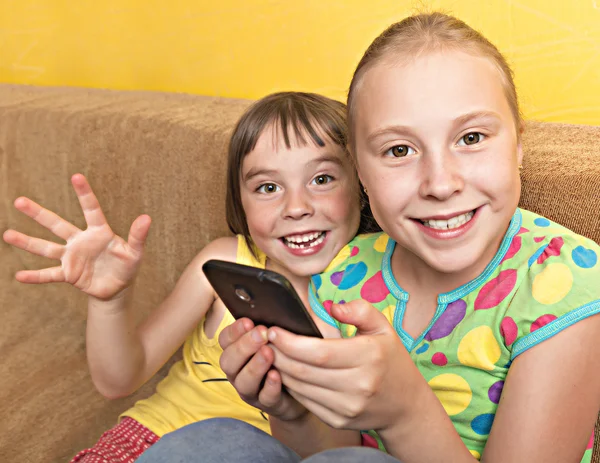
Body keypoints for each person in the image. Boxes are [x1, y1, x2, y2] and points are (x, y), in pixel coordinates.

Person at [139, 12, 600, 463]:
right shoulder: (348, 271)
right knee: (214, 439)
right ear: (359, 170)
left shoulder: (565, 283)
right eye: (399, 150)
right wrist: (292, 410)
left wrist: (405, 412)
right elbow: (325, 450)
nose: (440, 184)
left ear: (518, 146)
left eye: (472, 137)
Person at [3, 92, 376, 462]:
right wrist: (110, 300)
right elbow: (118, 380)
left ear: (362, 189)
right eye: (268, 188)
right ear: (240, 204)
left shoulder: (377, 302)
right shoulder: (224, 261)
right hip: (152, 440)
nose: (296, 207)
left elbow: (342, 450)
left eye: (322, 178)